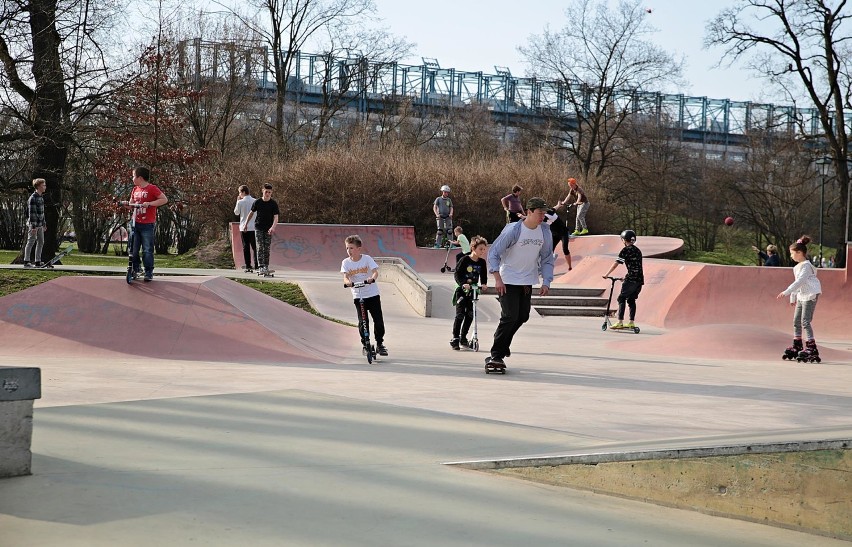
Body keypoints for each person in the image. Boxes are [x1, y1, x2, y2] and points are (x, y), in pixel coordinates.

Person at [485, 197, 555, 368]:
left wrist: (546, 281)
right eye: (539, 213)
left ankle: (504, 343)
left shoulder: (545, 232)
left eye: (544, 213)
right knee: (509, 316)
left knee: (522, 316)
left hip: (527, 281)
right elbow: (493, 253)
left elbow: (547, 259)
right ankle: (496, 355)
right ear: (529, 212)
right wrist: (497, 279)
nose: (542, 217)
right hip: (507, 279)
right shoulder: (514, 230)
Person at [777, 236, 822, 361]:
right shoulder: (797, 267)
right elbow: (798, 283)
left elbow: (800, 281)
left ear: (799, 253)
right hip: (802, 295)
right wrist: (793, 296)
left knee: (805, 321)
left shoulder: (806, 266)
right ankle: (797, 345)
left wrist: (787, 292)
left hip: (811, 294)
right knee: (796, 321)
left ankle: (811, 347)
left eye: (792, 253)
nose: (791, 256)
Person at [341, 235, 388, 356]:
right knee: (363, 322)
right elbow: (345, 277)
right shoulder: (345, 262)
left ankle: (379, 343)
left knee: (378, 321)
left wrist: (372, 278)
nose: (349, 251)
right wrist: (348, 283)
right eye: (347, 248)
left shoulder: (367, 259)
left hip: (372, 295)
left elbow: (375, 272)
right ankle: (365, 344)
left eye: (351, 248)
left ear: (358, 249)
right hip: (358, 296)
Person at [127, 166, 168, 282]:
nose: (132, 178)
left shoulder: (152, 188)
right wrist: (125, 205)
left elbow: (164, 199)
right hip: (135, 223)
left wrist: (149, 203)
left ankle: (148, 271)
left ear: (140, 177)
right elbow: (131, 204)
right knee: (133, 250)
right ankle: (136, 268)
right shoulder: (135, 190)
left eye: (133, 176)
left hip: (147, 225)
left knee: (147, 249)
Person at [450, 236, 488, 350]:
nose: (483, 251)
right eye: (481, 249)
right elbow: (457, 273)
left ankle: (463, 337)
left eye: (484, 249)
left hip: (473, 291)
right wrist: (462, 283)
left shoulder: (482, 262)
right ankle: (455, 338)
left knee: (470, 315)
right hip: (462, 290)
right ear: (473, 248)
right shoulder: (465, 260)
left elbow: (483, 275)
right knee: (460, 314)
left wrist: (484, 284)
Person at [602, 229, 644, 329]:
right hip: (639, 280)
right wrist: (625, 277)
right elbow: (636, 267)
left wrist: (607, 274)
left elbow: (616, 263)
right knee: (631, 300)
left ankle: (620, 321)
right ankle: (631, 322)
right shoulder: (638, 250)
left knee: (621, 298)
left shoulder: (625, 250)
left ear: (624, 240)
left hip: (631, 279)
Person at [245, 183, 280, 275]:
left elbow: (276, 217)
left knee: (266, 248)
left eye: (269, 192)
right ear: (262, 191)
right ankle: (260, 266)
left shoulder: (273, 204)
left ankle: (266, 266)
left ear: (271, 193)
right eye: (266, 192)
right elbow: (251, 213)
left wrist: (273, 227)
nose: (267, 194)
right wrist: (246, 224)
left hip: (268, 228)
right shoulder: (257, 202)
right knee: (260, 247)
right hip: (258, 227)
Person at [23, 178, 47, 268]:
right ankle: (26, 261)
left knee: (41, 242)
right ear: (38, 186)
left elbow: (42, 212)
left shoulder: (41, 197)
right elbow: (32, 213)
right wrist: (33, 227)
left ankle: (38, 260)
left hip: (40, 224)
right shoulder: (33, 198)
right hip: (34, 224)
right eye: (43, 185)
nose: (45, 187)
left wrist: (44, 224)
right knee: (31, 241)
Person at [234, 185, 258, 272]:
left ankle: (248, 265)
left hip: (244, 227)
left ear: (243, 192)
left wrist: (237, 201)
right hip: (254, 227)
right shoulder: (255, 201)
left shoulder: (240, 202)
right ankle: (257, 264)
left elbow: (236, 213)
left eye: (239, 192)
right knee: (255, 247)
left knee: (246, 246)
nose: (239, 194)